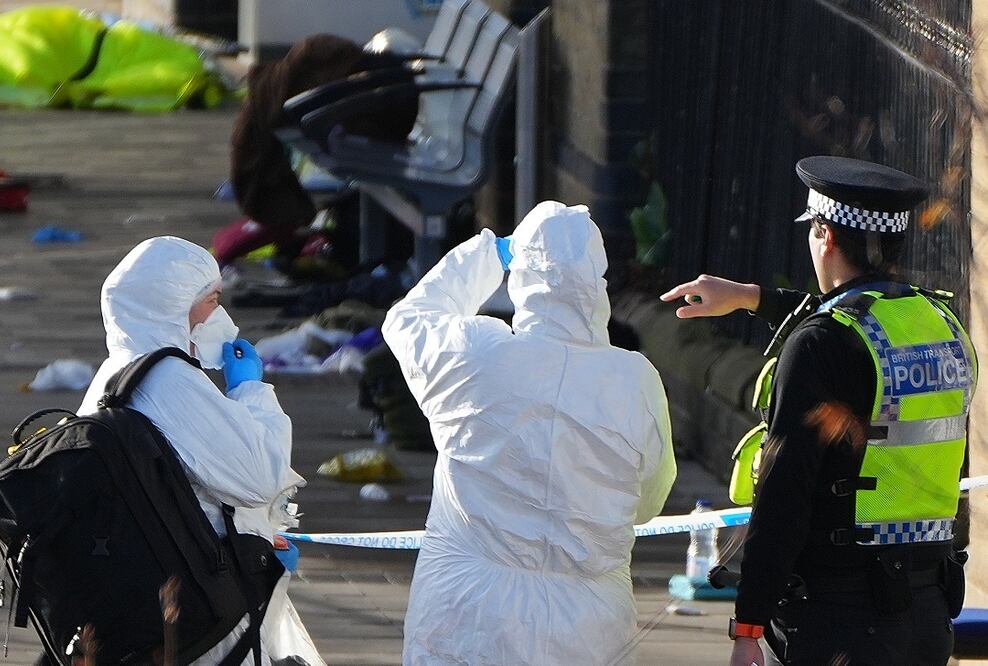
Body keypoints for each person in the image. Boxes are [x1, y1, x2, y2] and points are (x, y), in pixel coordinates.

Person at [661, 156, 977, 665]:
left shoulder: (818, 347)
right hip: (927, 615)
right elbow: (858, 313)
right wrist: (749, 297)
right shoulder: (941, 324)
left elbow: (784, 496)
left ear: (824, 235)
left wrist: (748, 627)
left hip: (841, 622)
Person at [383, 201, 677, 665]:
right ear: (596, 284)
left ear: (521, 278)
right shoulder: (633, 379)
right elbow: (649, 499)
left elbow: (410, 320)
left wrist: (485, 255)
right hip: (589, 617)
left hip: (469, 606)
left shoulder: (474, 355)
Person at [77, 236, 314, 665]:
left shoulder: (116, 374)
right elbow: (261, 476)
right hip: (201, 600)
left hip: (146, 592)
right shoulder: (170, 379)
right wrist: (251, 390)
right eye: (212, 300)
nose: (221, 317)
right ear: (173, 305)